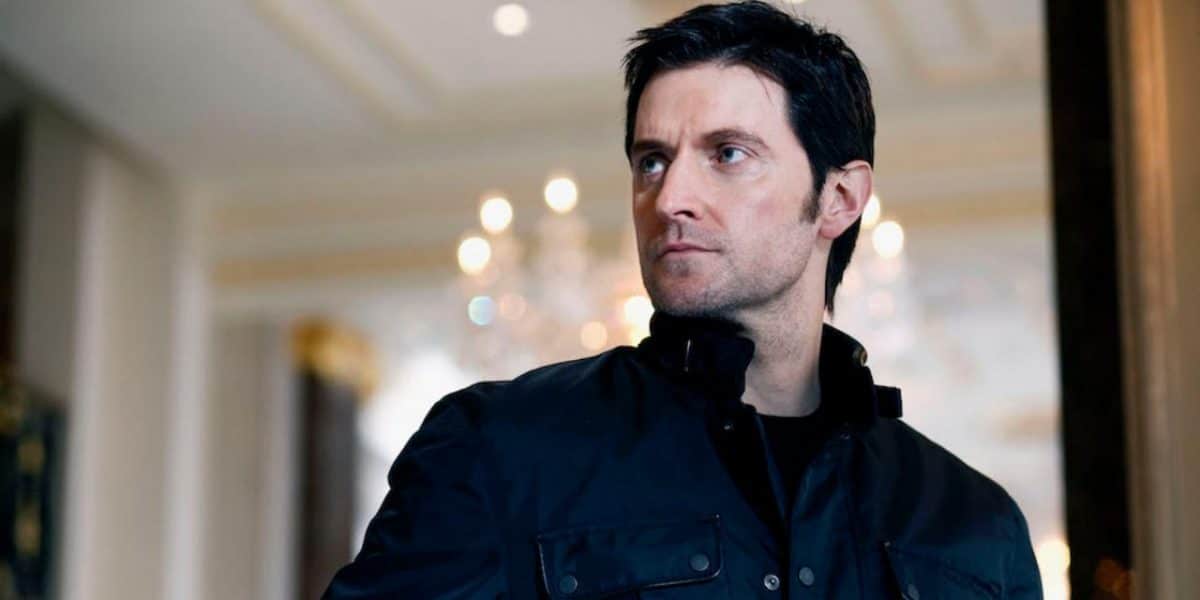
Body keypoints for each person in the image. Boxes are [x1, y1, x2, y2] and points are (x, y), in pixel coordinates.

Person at [324, 2, 1043, 598]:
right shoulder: (495, 449)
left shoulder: (976, 528)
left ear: (839, 198)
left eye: (728, 154)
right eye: (652, 161)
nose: (670, 198)